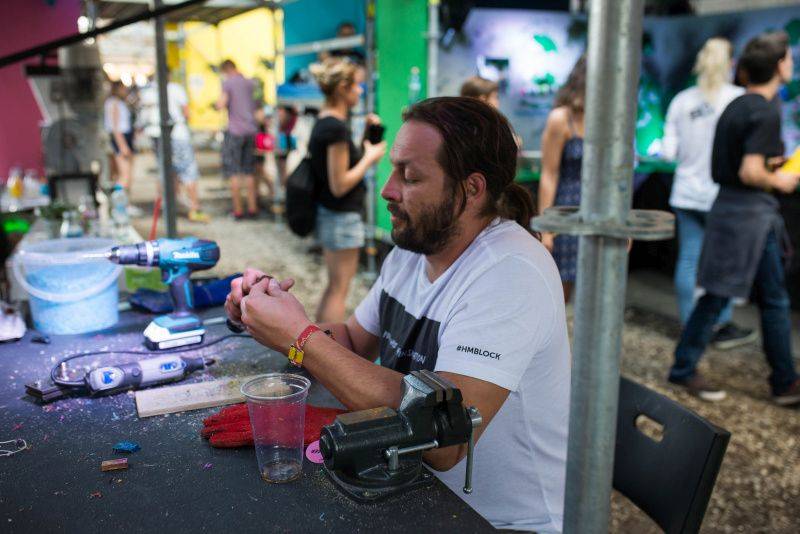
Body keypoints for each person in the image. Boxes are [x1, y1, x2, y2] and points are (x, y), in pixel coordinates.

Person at [225, 97, 570, 532]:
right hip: (416, 488)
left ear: (472, 189)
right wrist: (266, 313)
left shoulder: (510, 272)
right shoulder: (417, 246)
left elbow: (444, 440)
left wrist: (299, 338)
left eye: (410, 176)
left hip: (500, 522)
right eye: (393, 170)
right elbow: (353, 342)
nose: (387, 189)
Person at [669, 32, 800, 406]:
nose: (792, 63)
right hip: (748, 215)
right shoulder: (764, 110)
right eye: (789, 58)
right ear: (778, 65)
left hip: (734, 210)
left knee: (759, 296)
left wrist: (770, 165)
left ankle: (784, 379)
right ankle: (686, 368)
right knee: (740, 297)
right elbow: (749, 171)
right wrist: (782, 179)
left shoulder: (737, 105)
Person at [662, 38, 754, 350]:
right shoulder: (739, 99)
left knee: (690, 259)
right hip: (723, 196)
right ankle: (720, 324)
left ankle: (690, 325)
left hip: (686, 192)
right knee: (723, 264)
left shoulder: (682, 101)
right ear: (731, 63)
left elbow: (668, 152)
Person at [307, 57, 386, 323]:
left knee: (334, 287)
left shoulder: (327, 121)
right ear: (342, 88)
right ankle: (324, 346)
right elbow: (339, 184)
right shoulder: (335, 128)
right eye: (356, 85)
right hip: (341, 216)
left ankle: (317, 342)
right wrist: (370, 158)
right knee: (338, 290)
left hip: (331, 214)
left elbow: (339, 168)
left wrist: (365, 137)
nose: (360, 90)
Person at [537, 55, 586, 301]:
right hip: (566, 214)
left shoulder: (611, 118)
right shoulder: (562, 118)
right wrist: (546, 229)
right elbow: (549, 173)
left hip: (598, 213)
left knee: (596, 292)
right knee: (557, 295)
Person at [139, 73, 209, 223]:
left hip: (156, 136)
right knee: (188, 171)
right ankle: (194, 208)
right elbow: (186, 112)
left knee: (164, 171)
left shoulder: (148, 92)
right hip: (177, 134)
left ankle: (166, 206)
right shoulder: (176, 89)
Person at [215, 59, 259, 219]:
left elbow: (221, 104)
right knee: (249, 171)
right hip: (251, 131)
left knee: (234, 171)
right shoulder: (250, 83)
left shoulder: (228, 83)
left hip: (235, 131)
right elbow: (257, 105)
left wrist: (215, 105)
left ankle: (238, 210)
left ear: (226, 70)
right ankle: (253, 209)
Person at [104, 81, 135, 192]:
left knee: (124, 174)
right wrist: (122, 145)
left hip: (123, 137)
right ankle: (118, 197)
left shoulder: (117, 102)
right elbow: (115, 127)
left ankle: (121, 197)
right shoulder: (114, 103)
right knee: (125, 175)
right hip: (121, 138)